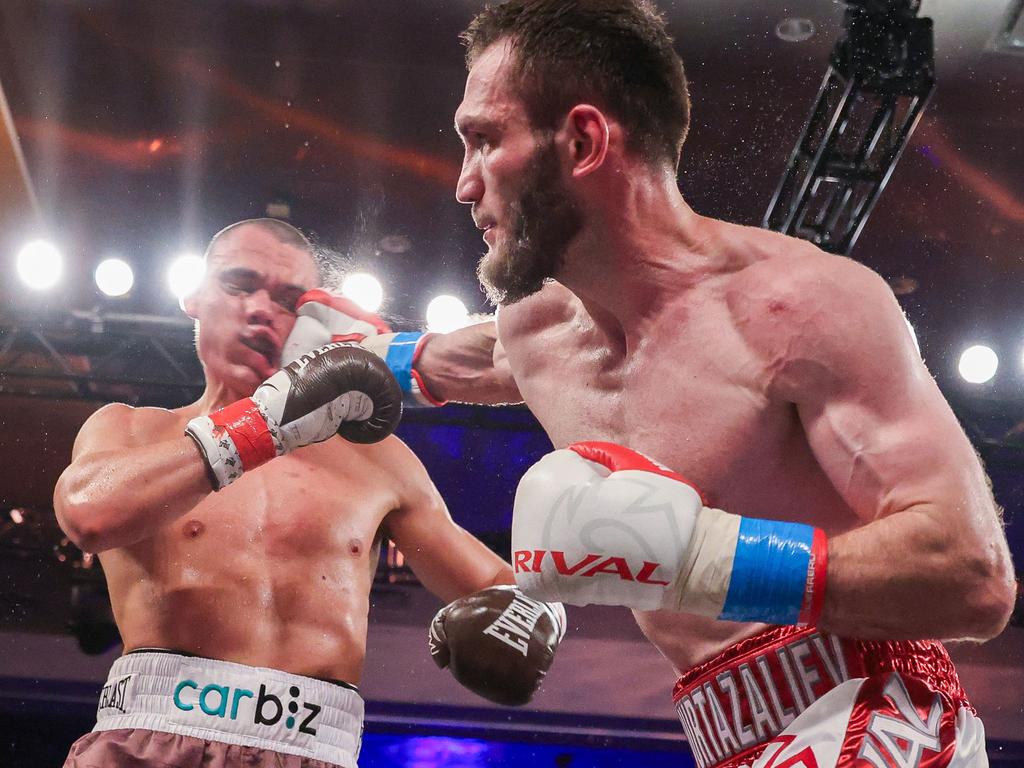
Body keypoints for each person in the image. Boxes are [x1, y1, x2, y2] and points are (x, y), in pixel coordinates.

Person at [351, 2, 1016, 766]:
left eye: (484, 140)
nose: (464, 184)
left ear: (583, 140)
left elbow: (973, 575)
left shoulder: (799, 307)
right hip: (722, 734)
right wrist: (322, 360)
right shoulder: (533, 332)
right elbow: (428, 363)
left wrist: (706, 559)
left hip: (878, 711)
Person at [53, 218, 564, 768]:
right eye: (238, 283)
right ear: (193, 296)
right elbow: (89, 514)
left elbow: (502, 590)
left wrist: (545, 611)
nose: (260, 309)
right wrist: (264, 422)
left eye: (289, 298)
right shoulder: (132, 429)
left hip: (313, 750)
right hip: (151, 741)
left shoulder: (377, 460)